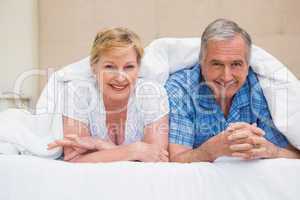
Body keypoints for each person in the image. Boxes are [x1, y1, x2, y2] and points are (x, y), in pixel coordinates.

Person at [165, 18, 300, 163]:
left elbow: (295, 156)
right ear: (202, 64)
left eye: (236, 64)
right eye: (217, 64)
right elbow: (175, 162)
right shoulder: (180, 88)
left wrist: (272, 151)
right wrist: (212, 150)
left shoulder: (260, 88)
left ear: (248, 66)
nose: (226, 76)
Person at [48, 27, 169, 163]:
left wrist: (99, 145)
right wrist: (135, 150)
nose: (120, 78)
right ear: (93, 67)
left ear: (138, 68)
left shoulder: (151, 94)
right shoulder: (78, 92)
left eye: (129, 67)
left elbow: (157, 159)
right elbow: (74, 159)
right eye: (110, 67)